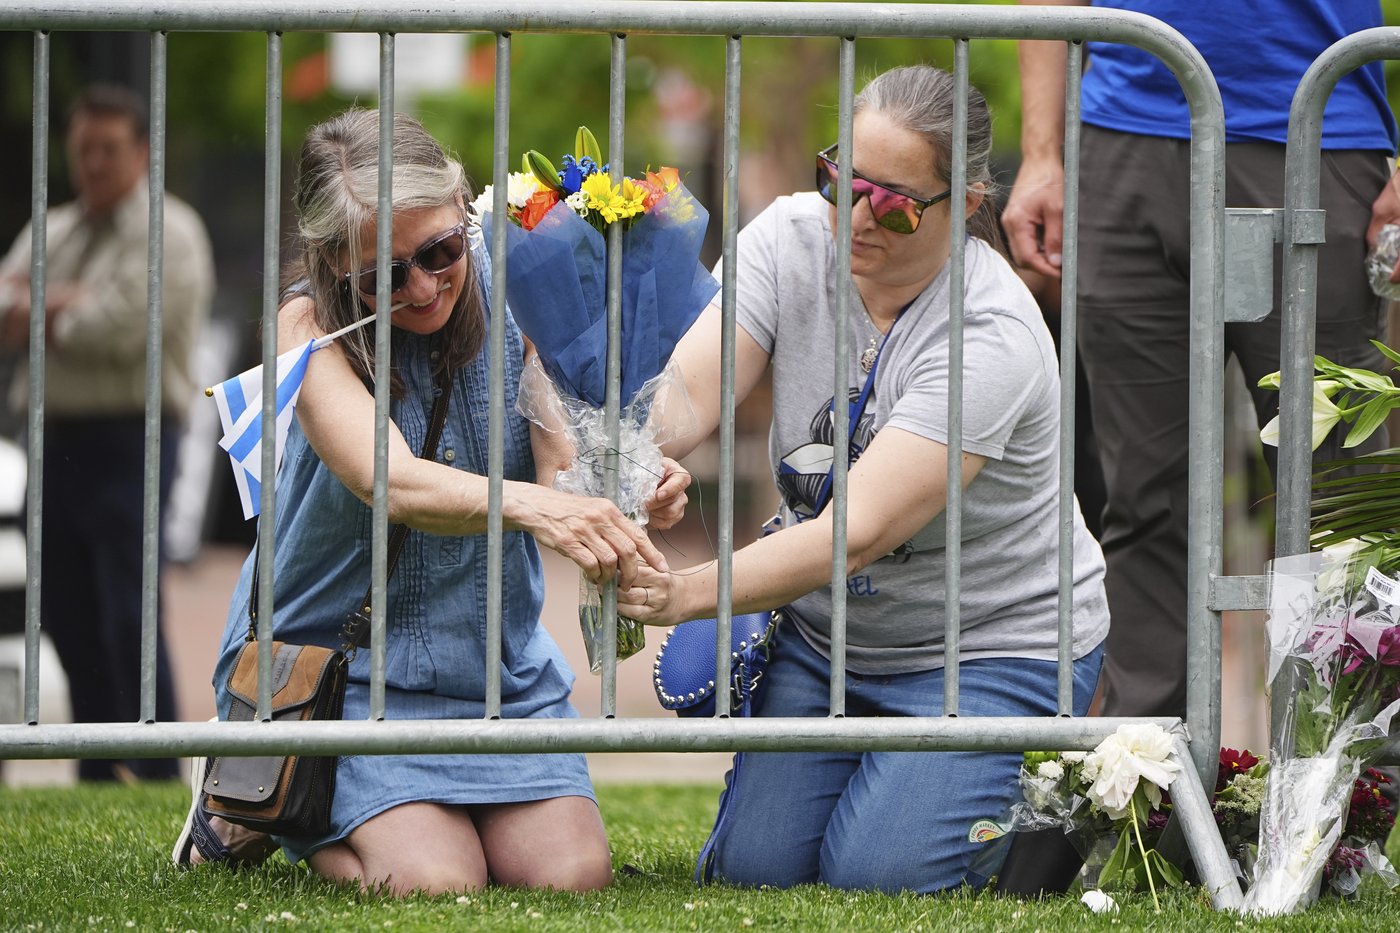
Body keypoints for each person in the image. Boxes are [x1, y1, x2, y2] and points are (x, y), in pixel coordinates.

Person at [618, 64, 1110, 894]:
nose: (854, 218)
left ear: (969, 203)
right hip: (828, 640)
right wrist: (641, 456)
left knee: (876, 874)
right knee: (756, 873)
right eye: (840, 180)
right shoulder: (785, 236)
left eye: (893, 204)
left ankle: (1033, 804)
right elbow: (692, 392)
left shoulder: (991, 332)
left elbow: (855, 534)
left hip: (991, 647)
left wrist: (684, 593)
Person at [170, 109, 687, 896]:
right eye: (383, 275)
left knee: (571, 875)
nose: (423, 285)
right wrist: (543, 511)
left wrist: (624, 487)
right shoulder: (304, 325)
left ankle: (300, 803)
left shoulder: (523, 283)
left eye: (441, 251)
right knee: (438, 881)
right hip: (340, 676)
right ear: (334, 264)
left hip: (494, 672)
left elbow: (559, 465)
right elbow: (391, 480)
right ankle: (254, 806)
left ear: (462, 203)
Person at [1001, 0, 1400, 719]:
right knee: (1143, 501)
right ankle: (1145, 802)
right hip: (1121, 135)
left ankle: (1340, 796)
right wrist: (1040, 153)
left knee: (1335, 510)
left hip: (1319, 132)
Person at [0, 84, 213, 782]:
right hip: (53, 438)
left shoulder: (170, 230)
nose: (91, 163)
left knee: (129, 608)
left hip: (133, 438)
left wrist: (43, 309)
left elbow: (120, 329)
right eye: (82, 149)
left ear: (142, 152)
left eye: (108, 149)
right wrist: (59, 306)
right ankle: (98, 766)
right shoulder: (54, 227)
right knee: (65, 607)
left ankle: (153, 769)